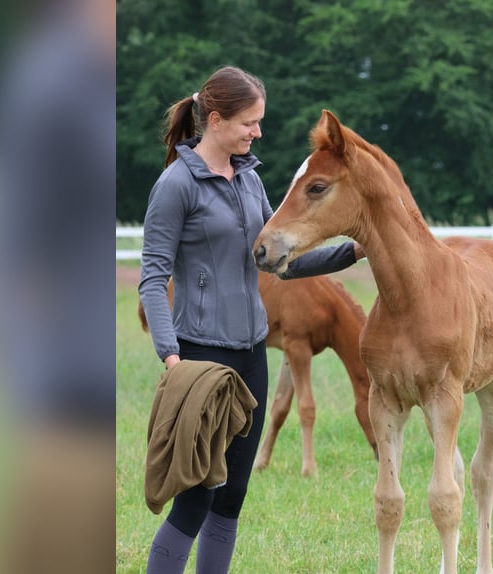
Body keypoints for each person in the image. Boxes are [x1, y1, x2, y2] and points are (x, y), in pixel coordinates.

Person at [138, 66, 364, 574]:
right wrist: (172, 357)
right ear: (216, 121)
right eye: (249, 123)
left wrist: (350, 252)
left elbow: (278, 263)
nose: (257, 132)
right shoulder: (176, 184)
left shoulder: (249, 179)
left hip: (251, 355)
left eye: (258, 123)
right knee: (195, 498)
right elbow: (152, 278)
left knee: (232, 495)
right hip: (199, 359)